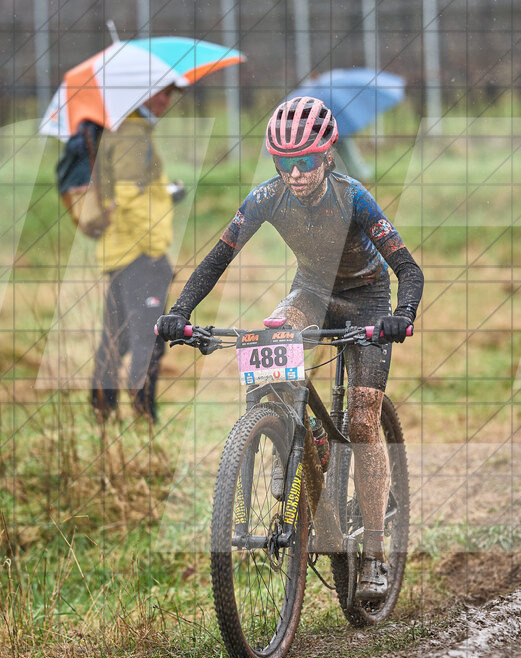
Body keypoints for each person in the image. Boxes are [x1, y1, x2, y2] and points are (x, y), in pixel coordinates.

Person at [156, 96, 424, 601]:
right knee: (271, 339)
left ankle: (373, 551)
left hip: (367, 299)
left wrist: (401, 317)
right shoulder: (264, 198)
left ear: (326, 157)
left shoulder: (354, 197)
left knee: (363, 421)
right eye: (284, 163)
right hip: (312, 293)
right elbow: (217, 259)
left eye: (305, 162)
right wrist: (181, 312)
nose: (295, 174)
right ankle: (296, 437)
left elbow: (408, 269)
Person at [57, 84, 185, 423]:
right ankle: (144, 412)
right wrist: (153, 250)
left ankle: (102, 409)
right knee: (151, 335)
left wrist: (166, 194)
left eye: (169, 94)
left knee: (116, 336)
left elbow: (129, 193)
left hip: (121, 252)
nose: (164, 100)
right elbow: (128, 199)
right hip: (139, 254)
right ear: (139, 94)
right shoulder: (130, 134)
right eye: (158, 92)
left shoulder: (125, 130)